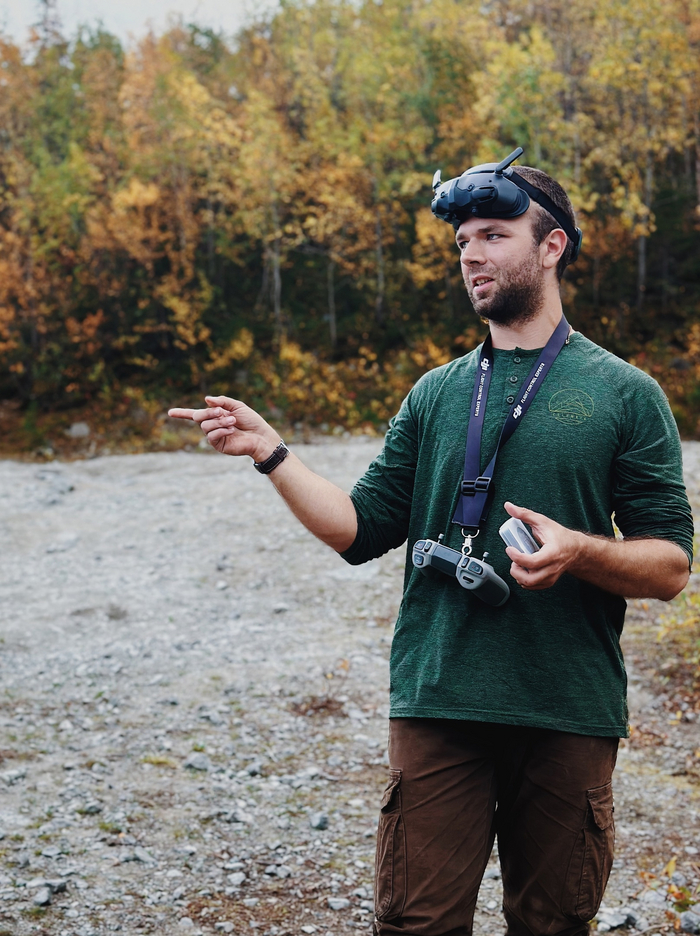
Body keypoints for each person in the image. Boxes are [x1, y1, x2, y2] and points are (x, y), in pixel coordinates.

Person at [168, 151, 694, 936]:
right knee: (416, 922)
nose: (472, 255)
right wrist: (272, 454)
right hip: (438, 698)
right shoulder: (437, 393)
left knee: (553, 923)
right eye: (462, 242)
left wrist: (581, 552)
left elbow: (671, 565)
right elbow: (358, 529)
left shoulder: (625, 393)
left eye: (493, 235)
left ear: (552, 246)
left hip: (568, 707)